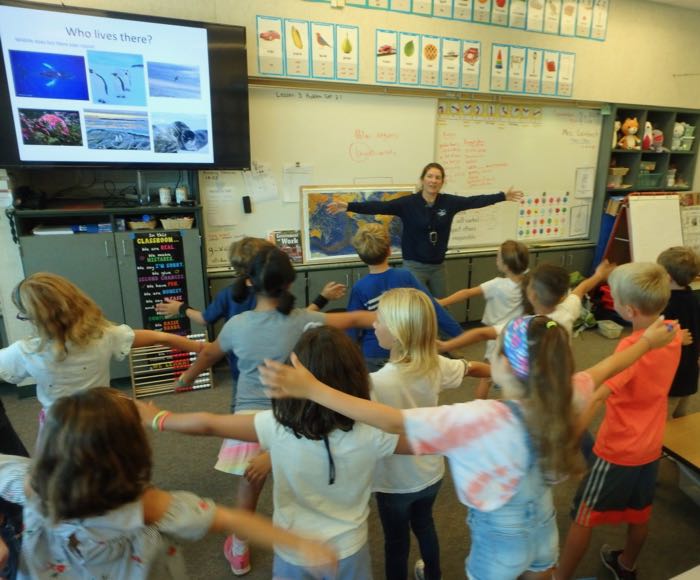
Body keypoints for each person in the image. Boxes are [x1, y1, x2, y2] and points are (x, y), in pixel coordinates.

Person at [260, 314, 677, 580]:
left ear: (502, 366)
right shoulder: (571, 391)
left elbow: (391, 419)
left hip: (500, 539)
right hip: (543, 526)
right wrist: (647, 342)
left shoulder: (478, 418)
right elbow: (608, 365)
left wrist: (314, 389)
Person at [137, 326, 400, 580]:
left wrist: (158, 418)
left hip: (292, 549)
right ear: (357, 377)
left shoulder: (275, 426)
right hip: (349, 549)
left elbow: (209, 424)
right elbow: (416, 431)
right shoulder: (374, 433)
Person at [175, 246, 374, 575]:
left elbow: (208, 355)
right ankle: (311, 531)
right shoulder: (303, 320)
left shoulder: (237, 324)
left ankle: (239, 549)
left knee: (249, 484)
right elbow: (352, 319)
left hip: (249, 419)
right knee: (299, 471)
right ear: (290, 283)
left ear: (250, 282)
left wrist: (186, 377)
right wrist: (397, 316)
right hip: (294, 415)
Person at [0, 387, 336, 579]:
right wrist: (299, 543)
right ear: (131, 451)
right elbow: (229, 519)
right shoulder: (142, 505)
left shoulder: (34, 486)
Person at [557, 262, 682, 580]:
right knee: (640, 513)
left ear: (627, 310)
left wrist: (571, 440)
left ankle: (561, 576)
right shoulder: (672, 332)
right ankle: (627, 564)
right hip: (651, 446)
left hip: (618, 449)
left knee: (583, 515)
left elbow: (596, 396)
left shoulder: (632, 349)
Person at [370, 288, 488, 580]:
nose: (373, 324)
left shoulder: (374, 383)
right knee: (425, 525)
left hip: (392, 482)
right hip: (430, 472)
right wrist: (503, 371)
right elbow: (472, 368)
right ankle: (433, 574)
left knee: (395, 542)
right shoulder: (436, 366)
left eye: (379, 320)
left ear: (397, 333)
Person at [155, 236, 346, 410]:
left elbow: (204, 320)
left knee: (243, 408)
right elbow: (299, 319)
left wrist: (181, 308)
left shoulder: (228, 295)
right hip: (282, 373)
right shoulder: (273, 292)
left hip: (243, 371)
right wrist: (322, 298)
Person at [0, 273, 202, 416]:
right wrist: (204, 349)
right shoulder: (104, 335)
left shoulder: (26, 351)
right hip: (103, 418)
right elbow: (161, 338)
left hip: (59, 426)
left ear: (34, 317)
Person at [327, 162, 523, 297]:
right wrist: (348, 206)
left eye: (438, 177)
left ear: (442, 181)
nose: (433, 180)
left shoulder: (449, 202)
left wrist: (502, 196)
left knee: (442, 305)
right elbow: (379, 206)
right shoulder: (408, 204)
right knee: (418, 307)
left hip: (438, 266)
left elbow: (474, 201)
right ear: (422, 180)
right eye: (430, 176)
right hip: (414, 266)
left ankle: (445, 346)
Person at [348, 223, 465, 372]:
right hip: (408, 348)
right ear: (389, 250)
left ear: (360, 257)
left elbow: (352, 326)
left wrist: (349, 357)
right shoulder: (405, 276)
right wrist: (459, 334)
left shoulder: (360, 287)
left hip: (374, 353)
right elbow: (432, 307)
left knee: (377, 391)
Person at [438, 239, 531, 398]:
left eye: (498, 257)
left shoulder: (497, 285)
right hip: (519, 337)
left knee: (486, 376)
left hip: (497, 338)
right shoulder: (530, 283)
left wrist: (441, 302)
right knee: (515, 376)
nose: (496, 259)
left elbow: (466, 293)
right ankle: (511, 406)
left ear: (506, 265)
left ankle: (479, 407)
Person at [657, 246, 700, 418]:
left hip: (672, 369)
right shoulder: (695, 297)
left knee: (663, 418)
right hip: (690, 367)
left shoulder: (666, 304)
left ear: (667, 277)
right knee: (682, 413)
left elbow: (662, 334)